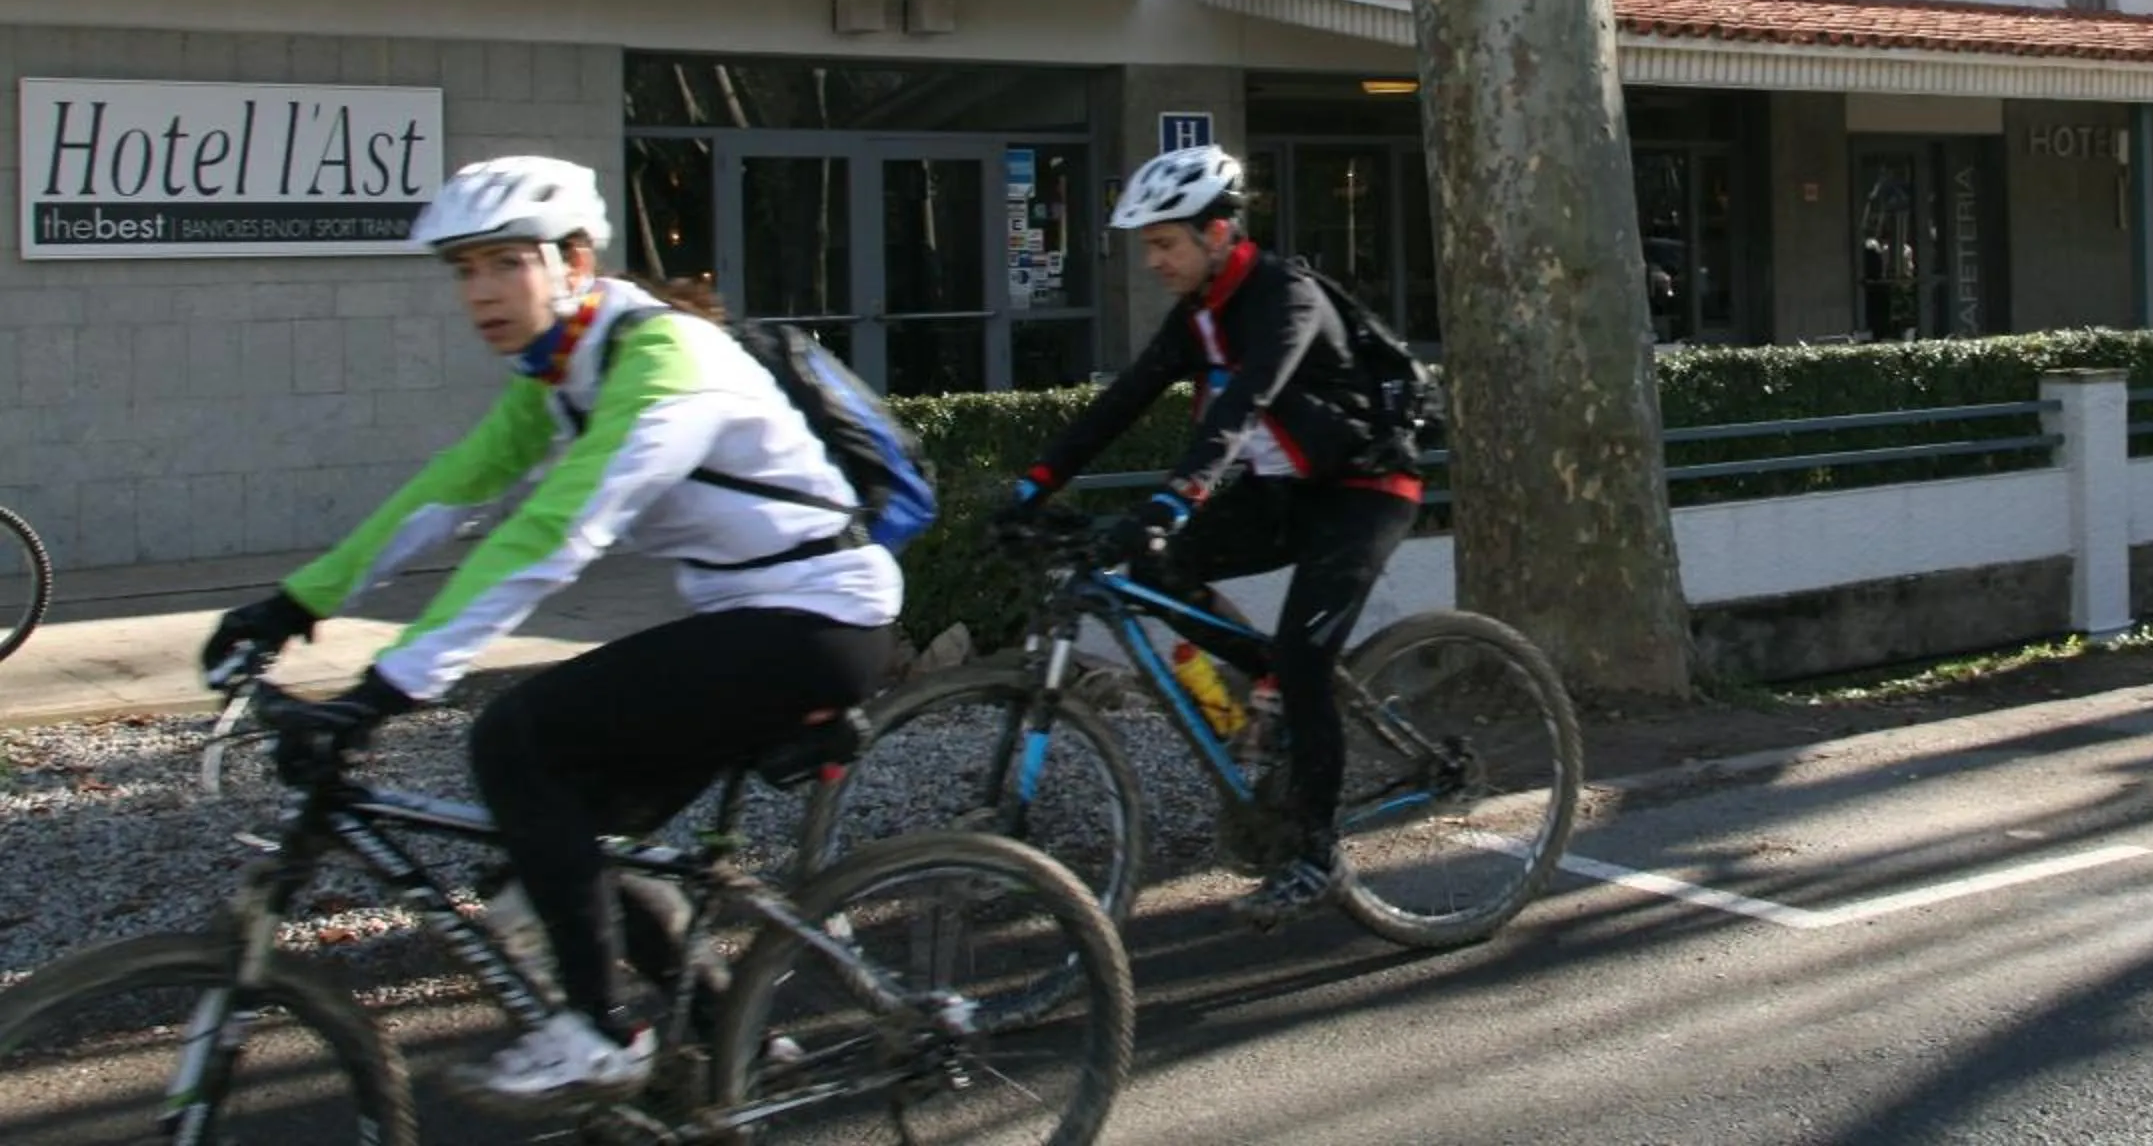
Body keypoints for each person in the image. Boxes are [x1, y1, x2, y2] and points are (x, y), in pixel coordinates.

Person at [200, 157, 901, 1110]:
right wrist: (294, 604)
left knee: (514, 740)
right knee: (546, 844)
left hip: (819, 618)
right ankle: (731, 1035)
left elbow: (556, 534)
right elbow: (450, 489)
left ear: (574, 260)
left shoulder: (666, 361)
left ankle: (601, 1034)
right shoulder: (566, 364)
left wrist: (389, 686)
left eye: (505, 263)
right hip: (751, 614)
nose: (481, 291)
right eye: (463, 269)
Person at [1001, 144, 1421, 930]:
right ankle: (1273, 683)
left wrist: (1175, 498)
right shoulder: (1198, 316)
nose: (1154, 260)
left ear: (1218, 232)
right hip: (1288, 493)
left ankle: (1317, 852)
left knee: (1303, 656)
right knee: (1160, 569)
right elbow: (1120, 403)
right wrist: (1032, 486)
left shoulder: (1283, 296)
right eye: (1149, 245)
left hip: (1365, 491)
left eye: (1166, 243)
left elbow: (1242, 408)